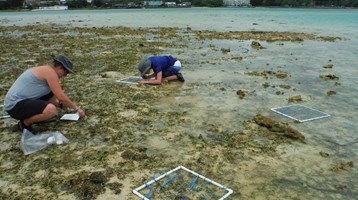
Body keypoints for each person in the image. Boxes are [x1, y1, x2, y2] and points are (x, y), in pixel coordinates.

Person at [3, 54, 85, 133]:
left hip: (19, 103)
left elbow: (51, 96)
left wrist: (60, 105)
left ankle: (36, 118)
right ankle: (25, 123)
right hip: (14, 106)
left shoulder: (47, 71)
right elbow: (61, 96)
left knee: (51, 99)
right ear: (60, 67)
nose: (65, 76)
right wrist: (77, 109)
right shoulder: (50, 73)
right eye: (66, 72)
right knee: (51, 110)